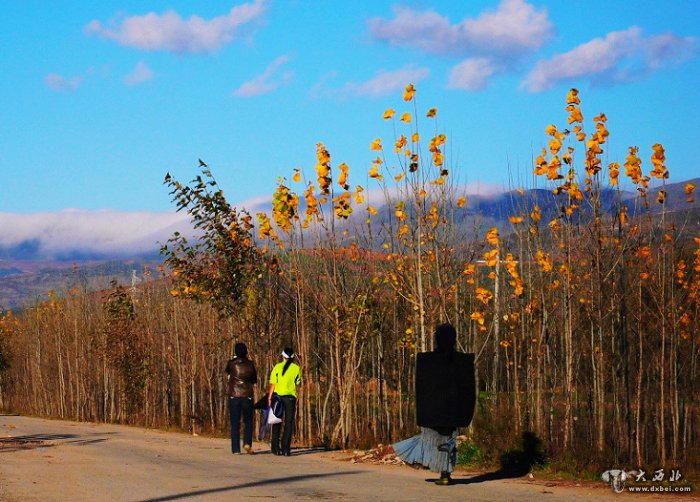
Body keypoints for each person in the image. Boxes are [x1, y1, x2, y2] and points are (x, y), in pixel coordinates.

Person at [393, 323, 476, 485]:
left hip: (433, 412)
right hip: (453, 412)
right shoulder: (462, 361)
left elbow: (422, 388)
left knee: (434, 441)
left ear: (437, 339)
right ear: (454, 339)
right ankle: (445, 473)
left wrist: (423, 413)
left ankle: (433, 467)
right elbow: (468, 390)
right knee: (448, 442)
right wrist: (464, 414)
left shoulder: (427, 360)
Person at [267, 346, 301, 456]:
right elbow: (297, 383)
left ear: (283, 356)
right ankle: (286, 448)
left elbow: (273, 383)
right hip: (290, 398)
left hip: (278, 397)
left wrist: (269, 397)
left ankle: (275, 448)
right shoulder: (296, 368)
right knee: (289, 423)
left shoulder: (277, 367)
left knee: (277, 421)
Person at [225, 342, 258, 455]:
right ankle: (247, 443)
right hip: (247, 395)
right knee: (248, 421)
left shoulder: (231, 363)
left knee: (235, 423)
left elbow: (227, 373)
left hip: (234, 395)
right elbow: (254, 379)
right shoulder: (250, 364)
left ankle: (236, 449)